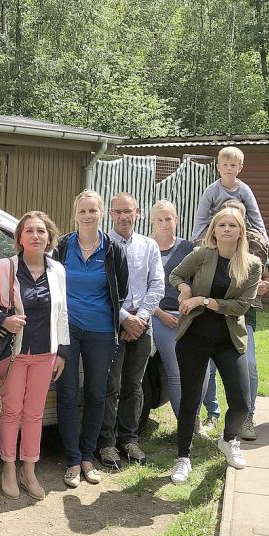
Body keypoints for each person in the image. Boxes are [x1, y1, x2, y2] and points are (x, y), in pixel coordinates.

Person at [168, 206, 261, 484]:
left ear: (240, 231)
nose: (227, 230)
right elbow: (175, 275)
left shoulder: (252, 264)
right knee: (190, 401)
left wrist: (204, 300)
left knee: (242, 402)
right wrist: (185, 289)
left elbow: (242, 306)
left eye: (232, 225)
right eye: (222, 225)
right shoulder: (201, 255)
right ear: (214, 230)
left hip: (228, 340)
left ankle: (229, 439)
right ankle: (183, 457)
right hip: (194, 337)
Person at [53, 190, 128, 487]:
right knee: (67, 393)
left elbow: (119, 290)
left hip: (100, 331)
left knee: (97, 393)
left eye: (93, 211)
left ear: (101, 214)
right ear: (75, 215)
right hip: (67, 330)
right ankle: (72, 459)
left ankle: (88, 456)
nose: (87, 216)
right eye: (82, 211)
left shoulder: (112, 249)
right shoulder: (62, 247)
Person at [0, 211, 69, 501]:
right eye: (29, 231)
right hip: (12, 353)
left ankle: (29, 469)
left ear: (49, 237)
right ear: (20, 238)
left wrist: (62, 351)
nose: (35, 236)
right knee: (12, 411)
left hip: (45, 352)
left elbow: (63, 312)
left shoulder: (58, 270)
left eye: (41, 231)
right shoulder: (6, 267)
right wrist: (4, 321)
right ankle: (9, 469)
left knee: (34, 413)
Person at [98, 192, 164, 467]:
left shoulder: (149, 246)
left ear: (137, 213)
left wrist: (141, 319)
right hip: (112, 323)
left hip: (142, 325)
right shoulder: (102, 246)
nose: (124, 216)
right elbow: (100, 288)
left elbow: (157, 284)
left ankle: (130, 438)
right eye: (118, 212)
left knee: (134, 385)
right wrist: (125, 318)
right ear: (111, 215)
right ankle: (107, 443)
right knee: (110, 385)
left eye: (129, 211)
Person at [198, 199, 269, 441]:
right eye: (224, 221)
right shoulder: (206, 248)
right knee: (206, 367)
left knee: (248, 363)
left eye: (236, 219)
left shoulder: (256, 246)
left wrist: (263, 286)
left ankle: (247, 415)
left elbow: (267, 278)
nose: (229, 226)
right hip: (208, 316)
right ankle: (212, 413)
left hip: (243, 315)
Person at [149, 200, 195, 418]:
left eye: (169, 218)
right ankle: (185, 423)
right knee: (175, 371)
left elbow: (196, 281)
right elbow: (139, 287)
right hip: (158, 316)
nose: (165, 223)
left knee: (198, 371)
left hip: (187, 315)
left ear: (176, 220)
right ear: (152, 222)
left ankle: (195, 416)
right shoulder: (146, 247)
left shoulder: (187, 247)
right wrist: (160, 314)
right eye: (160, 219)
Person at [190, 146, 269, 246]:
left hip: (239, 227)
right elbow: (201, 217)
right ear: (218, 167)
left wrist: (263, 237)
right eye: (225, 165)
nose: (228, 168)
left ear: (240, 168)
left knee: (258, 244)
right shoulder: (211, 190)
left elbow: (255, 216)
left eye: (233, 165)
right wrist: (195, 239)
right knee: (203, 247)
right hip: (216, 227)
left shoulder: (245, 190)